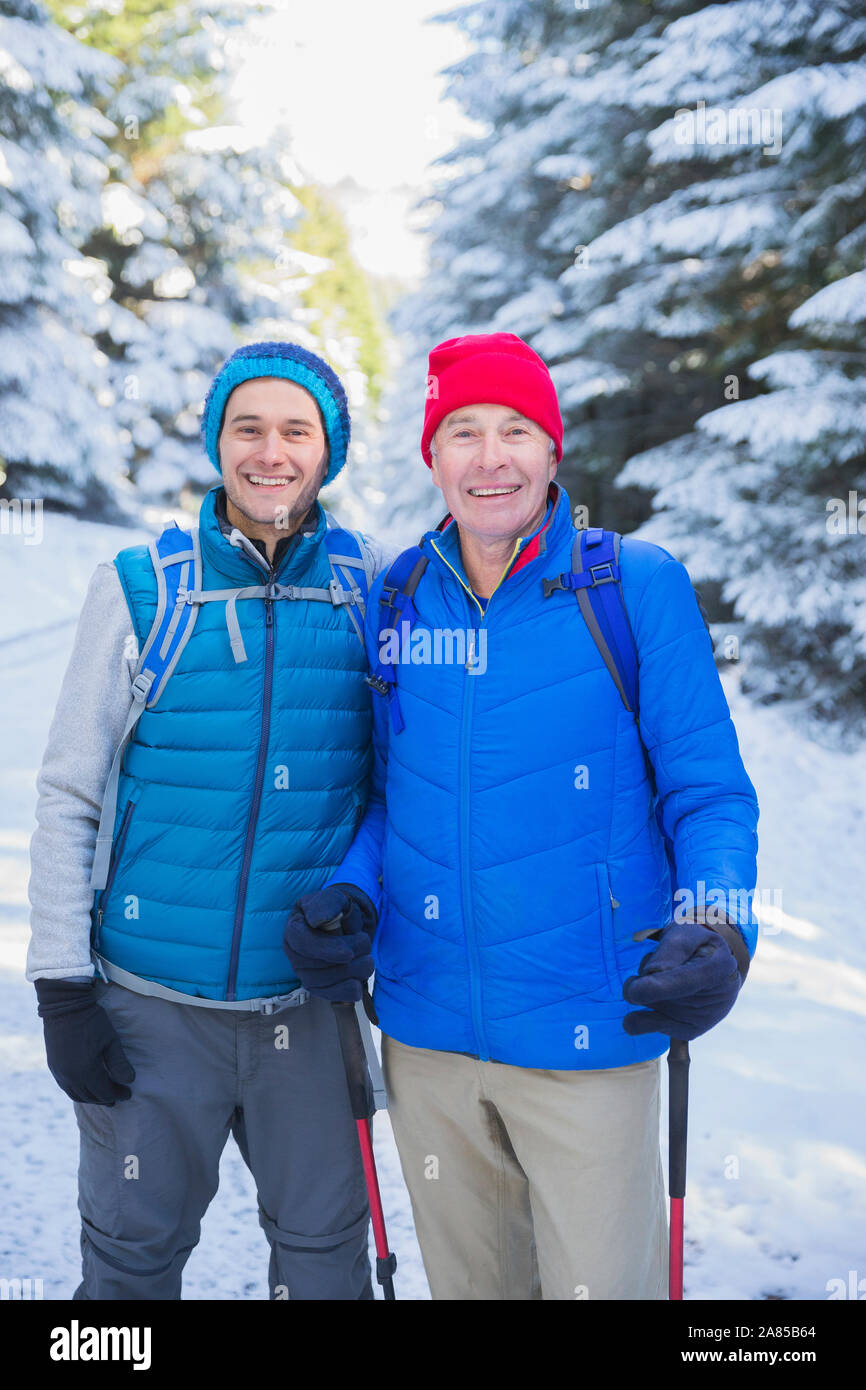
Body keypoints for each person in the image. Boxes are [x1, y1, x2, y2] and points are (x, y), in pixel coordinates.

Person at [284, 331, 760, 1301]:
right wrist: (349, 890)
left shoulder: (631, 587)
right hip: (425, 1043)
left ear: (551, 452)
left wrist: (716, 923)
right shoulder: (399, 600)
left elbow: (708, 794)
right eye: (462, 431)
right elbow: (386, 796)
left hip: (590, 1033)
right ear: (432, 456)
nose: (489, 456)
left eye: (515, 429)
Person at [27, 341, 394, 1300]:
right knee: (128, 1266)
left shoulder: (372, 590)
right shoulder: (144, 587)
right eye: (248, 427)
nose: (270, 452)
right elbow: (70, 793)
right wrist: (62, 989)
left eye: (296, 430)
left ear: (329, 451)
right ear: (217, 440)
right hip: (151, 1007)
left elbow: (395, 794)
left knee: (325, 1265)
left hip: (306, 1017)